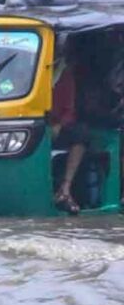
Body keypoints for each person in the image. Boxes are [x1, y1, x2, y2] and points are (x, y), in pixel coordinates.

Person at [51, 47, 90, 215]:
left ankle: (65, 188)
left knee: (81, 134)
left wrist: (58, 125)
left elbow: (69, 109)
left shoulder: (64, 75)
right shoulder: (24, 69)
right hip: (31, 122)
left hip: (57, 126)